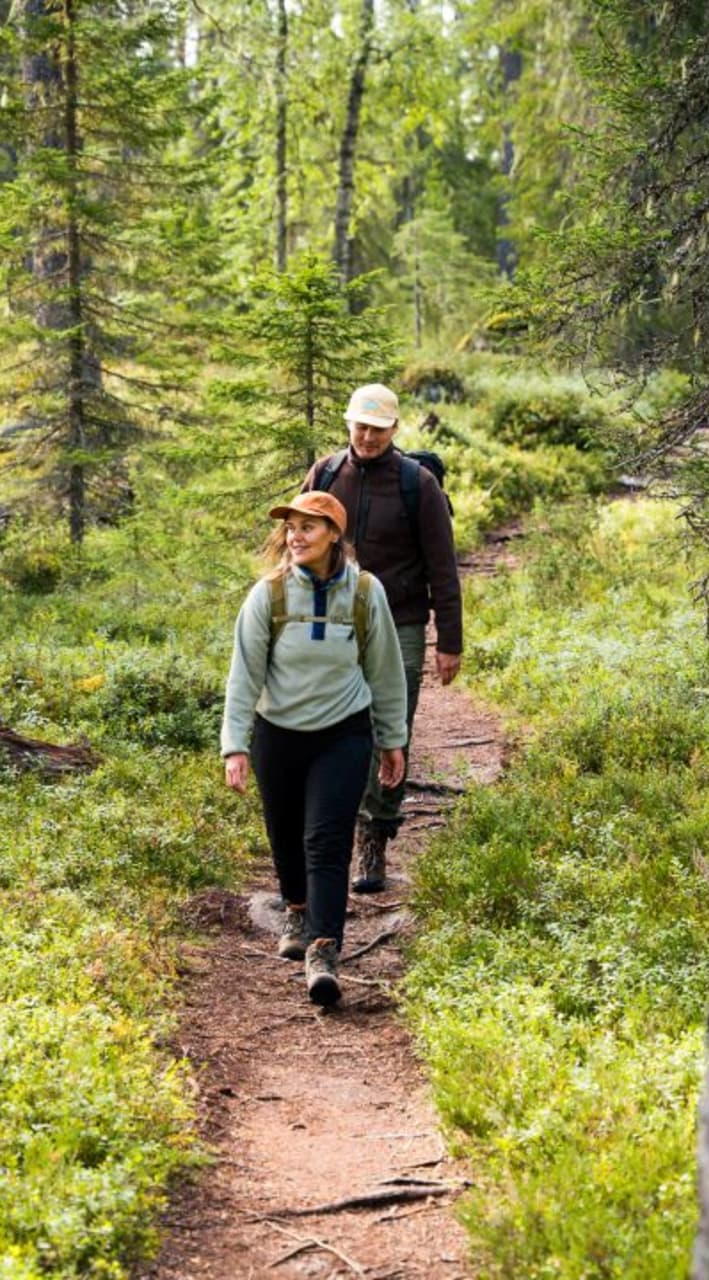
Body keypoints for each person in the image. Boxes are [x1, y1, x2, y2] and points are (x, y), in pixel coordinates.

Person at [221, 490, 408, 1007]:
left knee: (326, 840)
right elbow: (244, 676)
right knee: (284, 833)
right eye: (291, 527)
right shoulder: (270, 595)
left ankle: (324, 951)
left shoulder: (366, 594)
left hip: (342, 733)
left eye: (308, 527)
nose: (295, 536)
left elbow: (386, 672)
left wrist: (392, 739)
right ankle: (297, 910)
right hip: (277, 733)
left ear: (333, 536)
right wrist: (235, 744)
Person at [302, 383, 462, 894]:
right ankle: (330, 829)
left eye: (378, 428)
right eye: (360, 426)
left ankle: (374, 835)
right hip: (335, 620)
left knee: (391, 724)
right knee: (332, 721)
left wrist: (449, 641)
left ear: (395, 429)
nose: (367, 436)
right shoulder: (326, 475)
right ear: (348, 424)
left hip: (403, 622)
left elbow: (443, 566)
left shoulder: (418, 485)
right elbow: (299, 546)